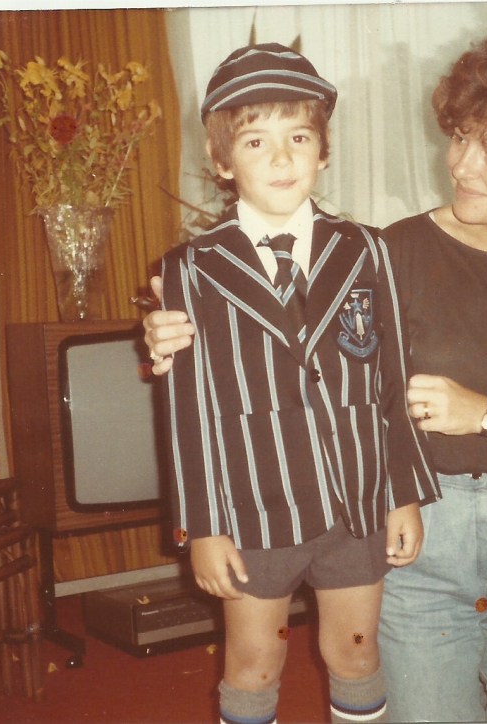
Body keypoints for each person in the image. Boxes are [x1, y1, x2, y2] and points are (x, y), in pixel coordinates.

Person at [145, 26, 487, 722]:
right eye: (460, 136)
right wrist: (170, 334)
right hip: (422, 540)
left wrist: (486, 414)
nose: (462, 165)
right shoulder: (393, 251)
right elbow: (309, 356)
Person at [157, 42, 439, 724]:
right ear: (223, 162)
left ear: (324, 149)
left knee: (357, 652)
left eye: (299, 137)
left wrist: (402, 493)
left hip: (355, 499)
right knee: (254, 662)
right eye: (256, 141)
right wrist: (201, 525)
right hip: (253, 508)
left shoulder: (366, 249)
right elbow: (186, 407)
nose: (282, 159)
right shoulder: (191, 268)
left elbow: (390, 375)